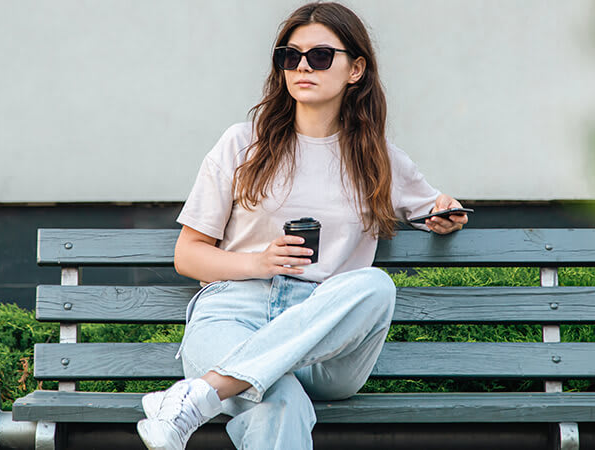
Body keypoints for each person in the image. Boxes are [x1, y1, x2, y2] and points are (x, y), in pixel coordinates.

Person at [137, 2, 468, 449]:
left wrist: (445, 214)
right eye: (290, 56)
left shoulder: (378, 160)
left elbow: (434, 206)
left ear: (356, 69)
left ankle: (201, 395)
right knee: (280, 402)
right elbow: (188, 254)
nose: (302, 67)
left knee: (375, 286)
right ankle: (220, 387)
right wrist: (260, 262)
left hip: (324, 342)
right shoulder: (242, 143)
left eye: (320, 56)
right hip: (236, 315)